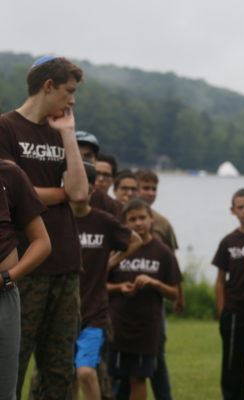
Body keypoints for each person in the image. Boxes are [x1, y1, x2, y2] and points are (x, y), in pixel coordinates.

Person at [0, 55, 88, 399]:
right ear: (48, 86)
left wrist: (68, 135)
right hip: (24, 265)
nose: (73, 100)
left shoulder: (60, 131)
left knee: (60, 371)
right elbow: (9, 191)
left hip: (65, 263)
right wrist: (60, 194)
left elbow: (80, 193)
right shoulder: (6, 127)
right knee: (12, 365)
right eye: (69, 91)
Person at [72, 161, 142, 400]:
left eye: (84, 186)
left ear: (93, 190)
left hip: (94, 313)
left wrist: (109, 263)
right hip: (64, 313)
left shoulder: (103, 221)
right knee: (68, 376)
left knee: (85, 372)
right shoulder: (58, 220)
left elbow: (134, 241)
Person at [107, 198, 181, 400]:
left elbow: (174, 293)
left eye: (142, 218)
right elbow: (100, 285)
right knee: (110, 377)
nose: (138, 223)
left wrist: (154, 283)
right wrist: (119, 288)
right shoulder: (118, 250)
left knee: (138, 379)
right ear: (125, 223)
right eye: (132, 219)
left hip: (146, 328)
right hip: (117, 325)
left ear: (151, 219)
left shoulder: (163, 252)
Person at [0, 161, 51, 400]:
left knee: (5, 390)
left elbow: (42, 243)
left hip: (4, 296)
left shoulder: (10, 174)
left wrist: (8, 277)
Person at [134, 168, 182, 400]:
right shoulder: (120, 218)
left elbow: (173, 264)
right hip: (122, 299)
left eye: (154, 189)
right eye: (145, 188)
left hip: (154, 302)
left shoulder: (162, 224)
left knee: (157, 354)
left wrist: (180, 295)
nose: (150, 193)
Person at [212, 188, 244, 400]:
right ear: (232, 210)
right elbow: (220, 280)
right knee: (233, 369)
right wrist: (223, 310)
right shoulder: (228, 241)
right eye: (240, 207)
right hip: (236, 312)